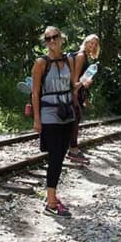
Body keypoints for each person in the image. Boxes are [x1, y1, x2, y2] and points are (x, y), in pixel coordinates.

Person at [32, 26, 76, 218]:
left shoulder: (69, 60)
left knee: (60, 155)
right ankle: (51, 201)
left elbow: (72, 86)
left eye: (55, 37)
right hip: (49, 114)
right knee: (56, 156)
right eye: (48, 39)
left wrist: (83, 84)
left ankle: (51, 195)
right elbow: (35, 92)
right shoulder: (41, 63)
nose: (52, 41)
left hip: (67, 113)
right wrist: (37, 119)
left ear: (61, 38)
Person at [67, 33, 101, 164]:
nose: (92, 46)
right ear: (85, 42)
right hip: (76, 93)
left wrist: (85, 85)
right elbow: (75, 81)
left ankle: (72, 148)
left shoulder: (85, 56)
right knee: (75, 121)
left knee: (75, 121)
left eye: (95, 44)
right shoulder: (81, 56)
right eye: (90, 43)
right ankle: (73, 150)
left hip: (80, 93)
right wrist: (80, 88)